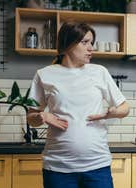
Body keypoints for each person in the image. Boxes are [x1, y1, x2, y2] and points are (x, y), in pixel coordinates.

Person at [26, 21, 130, 188]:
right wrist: (43, 116)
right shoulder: (44, 74)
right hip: (58, 168)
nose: (91, 48)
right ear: (68, 44)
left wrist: (112, 112)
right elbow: (31, 118)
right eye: (85, 42)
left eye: (91, 43)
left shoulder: (99, 72)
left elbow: (125, 108)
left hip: (97, 166)